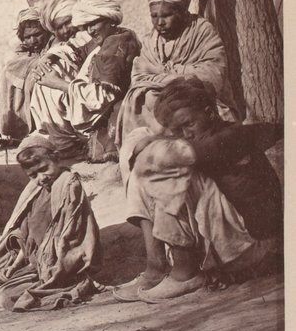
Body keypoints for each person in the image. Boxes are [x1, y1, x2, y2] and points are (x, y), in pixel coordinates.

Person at [114, 78, 280, 303]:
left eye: (189, 124)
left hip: (253, 246)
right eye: (178, 130)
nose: (186, 134)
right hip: (223, 241)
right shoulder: (200, 139)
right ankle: (156, 267)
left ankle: (185, 272)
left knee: (173, 174)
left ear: (209, 112)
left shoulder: (230, 137)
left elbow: (180, 155)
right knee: (143, 172)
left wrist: (152, 143)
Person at [0, 136, 101, 311]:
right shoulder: (36, 191)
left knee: (2, 297)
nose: (41, 178)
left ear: (56, 158)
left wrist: (49, 269)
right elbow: (27, 237)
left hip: (59, 264)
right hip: (35, 260)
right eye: (33, 175)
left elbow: (71, 240)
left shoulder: (68, 186)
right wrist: (15, 266)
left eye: (44, 169)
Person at [115, 0, 236, 172]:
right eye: (154, 16)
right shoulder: (152, 40)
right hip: (160, 94)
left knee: (175, 106)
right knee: (141, 97)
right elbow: (139, 73)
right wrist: (169, 78)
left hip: (197, 98)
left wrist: (169, 76)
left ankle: (184, 160)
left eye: (166, 15)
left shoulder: (201, 31)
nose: (159, 23)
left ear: (180, 12)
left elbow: (214, 72)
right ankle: (148, 159)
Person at [64, 0, 141, 162]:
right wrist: (53, 56)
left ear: (109, 20)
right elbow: (80, 51)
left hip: (116, 113)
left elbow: (102, 96)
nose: (90, 30)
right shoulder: (113, 36)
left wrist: (60, 84)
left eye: (94, 23)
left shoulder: (116, 44)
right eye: (86, 26)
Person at [25, 0, 85, 153]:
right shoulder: (57, 46)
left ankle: (66, 139)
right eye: (59, 27)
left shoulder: (89, 35)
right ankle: (59, 136)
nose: (65, 30)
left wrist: (51, 56)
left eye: (68, 22)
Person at [0, 9, 50, 139]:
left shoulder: (53, 52)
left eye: (37, 34)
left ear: (46, 31)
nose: (33, 40)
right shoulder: (18, 57)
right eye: (27, 37)